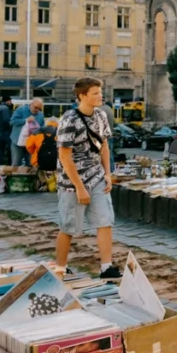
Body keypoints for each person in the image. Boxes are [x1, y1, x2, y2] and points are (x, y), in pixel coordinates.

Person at [55, 78, 118, 280]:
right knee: (68, 227)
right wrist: (79, 188)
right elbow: (64, 156)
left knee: (105, 221)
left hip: (96, 177)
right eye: (95, 93)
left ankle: (106, 267)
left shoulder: (101, 116)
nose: (100, 96)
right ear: (82, 96)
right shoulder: (69, 119)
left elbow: (104, 146)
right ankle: (60, 268)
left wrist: (107, 173)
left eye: (100, 92)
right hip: (72, 181)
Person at [26, 118, 59, 192]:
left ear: (46, 123)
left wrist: (34, 153)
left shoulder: (36, 132)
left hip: (38, 163)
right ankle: (55, 182)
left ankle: (43, 183)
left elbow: (29, 146)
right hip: (57, 163)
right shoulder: (60, 132)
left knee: (37, 166)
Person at [9, 98, 44, 166]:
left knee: (31, 164)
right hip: (17, 142)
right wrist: (25, 120)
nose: (37, 110)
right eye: (36, 107)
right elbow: (12, 121)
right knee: (16, 163)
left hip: (31, 143)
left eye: (39, 108)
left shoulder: (40, 115)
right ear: (31, 104)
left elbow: (42, 129)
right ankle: (16, 176)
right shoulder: (21, 110)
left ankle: (29, 176)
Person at [0, 95, 13, 166]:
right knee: (10, 148)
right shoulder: (5, 108)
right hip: (6, 131)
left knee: (0, 149)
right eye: (10, 101)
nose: (11, 102)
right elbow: (6, 120)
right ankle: (10, 164)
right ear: (7, 101)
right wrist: (11, 126)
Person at [101, 101, 116, 171]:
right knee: (110, 155)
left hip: (102, 137)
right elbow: (114, 122)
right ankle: (111, 171)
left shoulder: (99, 109)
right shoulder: (109, 109)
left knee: (103, 155)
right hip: (110, 136)